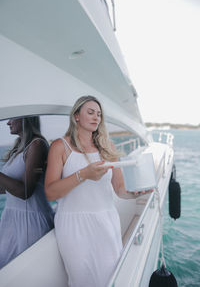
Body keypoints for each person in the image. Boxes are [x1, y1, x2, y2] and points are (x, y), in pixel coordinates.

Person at [44, 95, 151, 287]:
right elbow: (51, 193)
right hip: (73, 226)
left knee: (111, 278)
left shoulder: (107, 147)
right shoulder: (60, 146)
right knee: (81, 279)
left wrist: (135, 194)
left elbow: (119, 189)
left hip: (106, 221)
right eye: (90, 112)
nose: (96, 118)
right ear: (76, 116)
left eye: (99, 114)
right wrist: (84, 174)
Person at [0, 117, 54, 269]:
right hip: (11, 220)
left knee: (29, 271)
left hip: (31, 221)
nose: (8, 122)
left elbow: (25, 191)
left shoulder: (37, 145)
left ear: (25, 119)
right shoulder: (18, 148)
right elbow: (8, 188)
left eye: (12, 118)